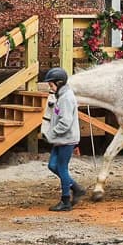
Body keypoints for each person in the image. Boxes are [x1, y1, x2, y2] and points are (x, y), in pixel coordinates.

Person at [40, 67, 80, 210]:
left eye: (51, 85)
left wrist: (51, 134)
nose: (50, 88)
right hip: (60, 139)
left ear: (60, 83)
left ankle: (65, 201)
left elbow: (65, 122)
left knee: (62, 168)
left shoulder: (66, 98)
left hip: (66, 139)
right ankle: (76, 187)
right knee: (52, 165)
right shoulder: (61, 96)